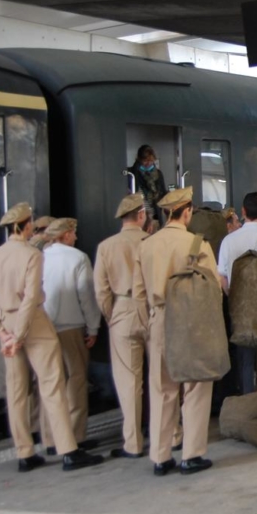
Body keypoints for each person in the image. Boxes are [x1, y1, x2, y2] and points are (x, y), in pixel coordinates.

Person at [0, 203, 103, 473]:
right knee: (52, 386)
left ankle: (25, 453)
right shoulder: (32, 255)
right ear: (25, 225)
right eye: (31, 222)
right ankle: (68, 450)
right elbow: (31, 297)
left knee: (18, 391)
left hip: (8, 327)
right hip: (33, 323)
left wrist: (3, 333)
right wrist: (20, 335)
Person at [133, 186, 219, 476]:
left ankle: (160, 456)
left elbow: (138, 293)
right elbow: (213, 289)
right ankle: (192, 455)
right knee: (195, 385)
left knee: (162, 388)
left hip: (159, 319)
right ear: (187, 211)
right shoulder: (198, 244)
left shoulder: (146, 245)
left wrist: (150, 324)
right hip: (191, 320)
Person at [94, 193, 150, 459]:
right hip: (152, 309)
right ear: (141, 215)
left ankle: (133, 442)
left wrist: (111, 315)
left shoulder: (106, 246)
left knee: (129, 382)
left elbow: (101, 291)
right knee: (162, 378)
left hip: (122, 310)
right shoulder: (152, 241)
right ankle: (172, 434)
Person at [40, 218, 101, 454]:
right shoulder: (77, 258)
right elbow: (86, 295)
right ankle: (74, 436)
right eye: (73, 233)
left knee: (51, 383)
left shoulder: (41, 257)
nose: (75, 237)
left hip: (44, 329)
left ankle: (51, 438)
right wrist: (93, 327)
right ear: (66, 235)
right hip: (71, 328)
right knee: (76, 381)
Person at [217, 192, 257, 394]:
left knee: (244, 359)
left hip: (240, 310)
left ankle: (247, 403)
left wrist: (234, 298)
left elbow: (222, 278)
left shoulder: (228, 241)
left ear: (243, 212)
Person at [129, 144, 168, 229]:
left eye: (151, 160)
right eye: (145, 160)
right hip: (138, 219)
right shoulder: (131, 174)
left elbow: (163, 194)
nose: (148, 163)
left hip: (154, 216)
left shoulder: (158, 174)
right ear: (139, 159)